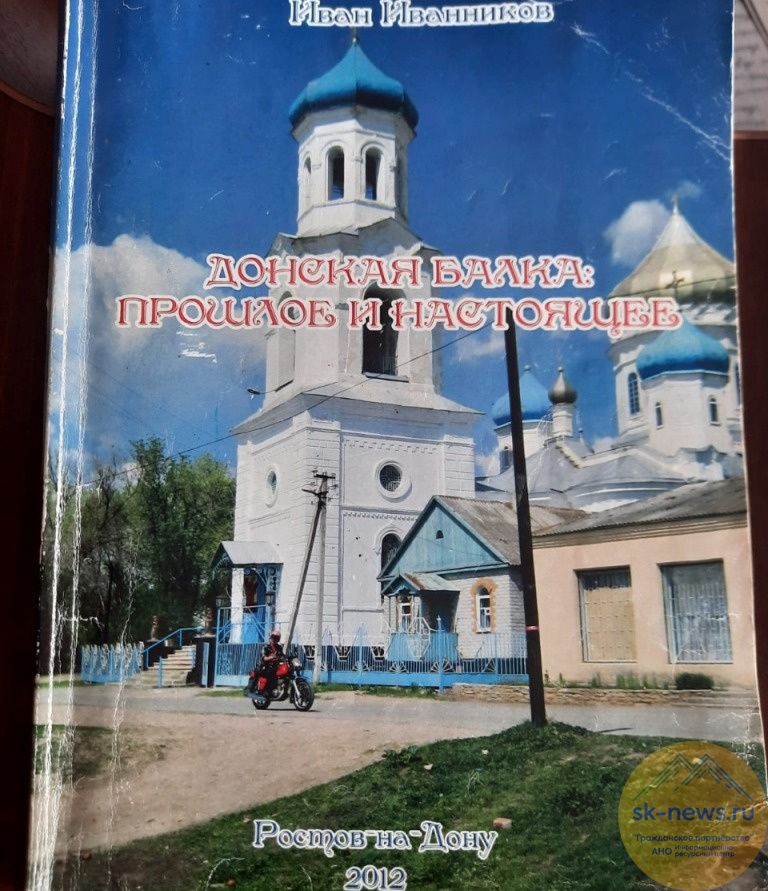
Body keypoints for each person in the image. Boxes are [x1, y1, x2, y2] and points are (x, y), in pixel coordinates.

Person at [260, 628, 284, 698]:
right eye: (273, 637)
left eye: (277, 638)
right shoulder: (266, 646)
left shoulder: (279, 647)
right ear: (271, 637)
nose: (274, 639)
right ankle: (267, 691)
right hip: (265, 666)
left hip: (275, 666)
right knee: (271, 673)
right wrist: (270, 657)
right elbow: (264, 658)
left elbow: (283, 655)